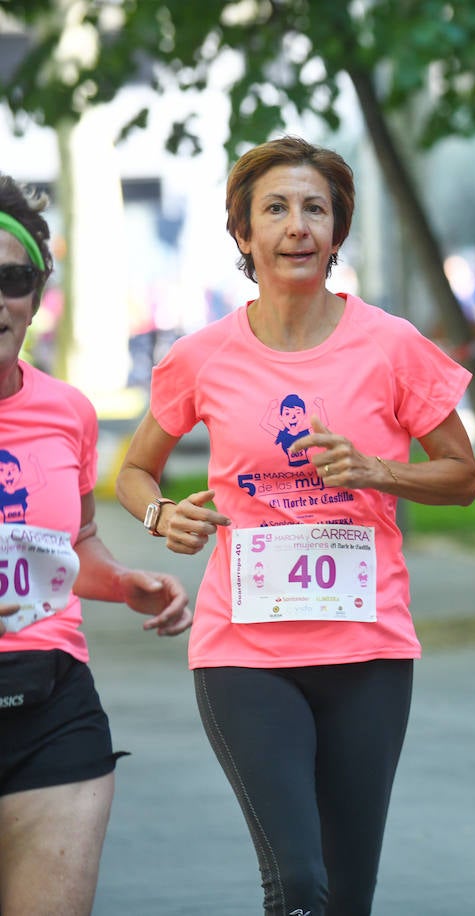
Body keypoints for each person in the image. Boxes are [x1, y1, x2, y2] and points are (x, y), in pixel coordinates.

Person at [115, 137, 475, 915]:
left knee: (348, 895)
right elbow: (133, 472)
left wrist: (382, 471)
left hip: (368, 649)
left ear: (337, 230)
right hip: (245, 652)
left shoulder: (392, 346)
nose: (297, 226)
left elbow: (464, 476)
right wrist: (161, 515)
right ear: (244, 235)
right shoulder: (203, 356)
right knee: (300, 886)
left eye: (315, 208)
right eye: (274, 209)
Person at [0, 173, 191, 914]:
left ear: (37, 291)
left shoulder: (67, 412)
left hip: (52, 706)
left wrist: (124, 581)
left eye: (13, 278)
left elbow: (75, 544)